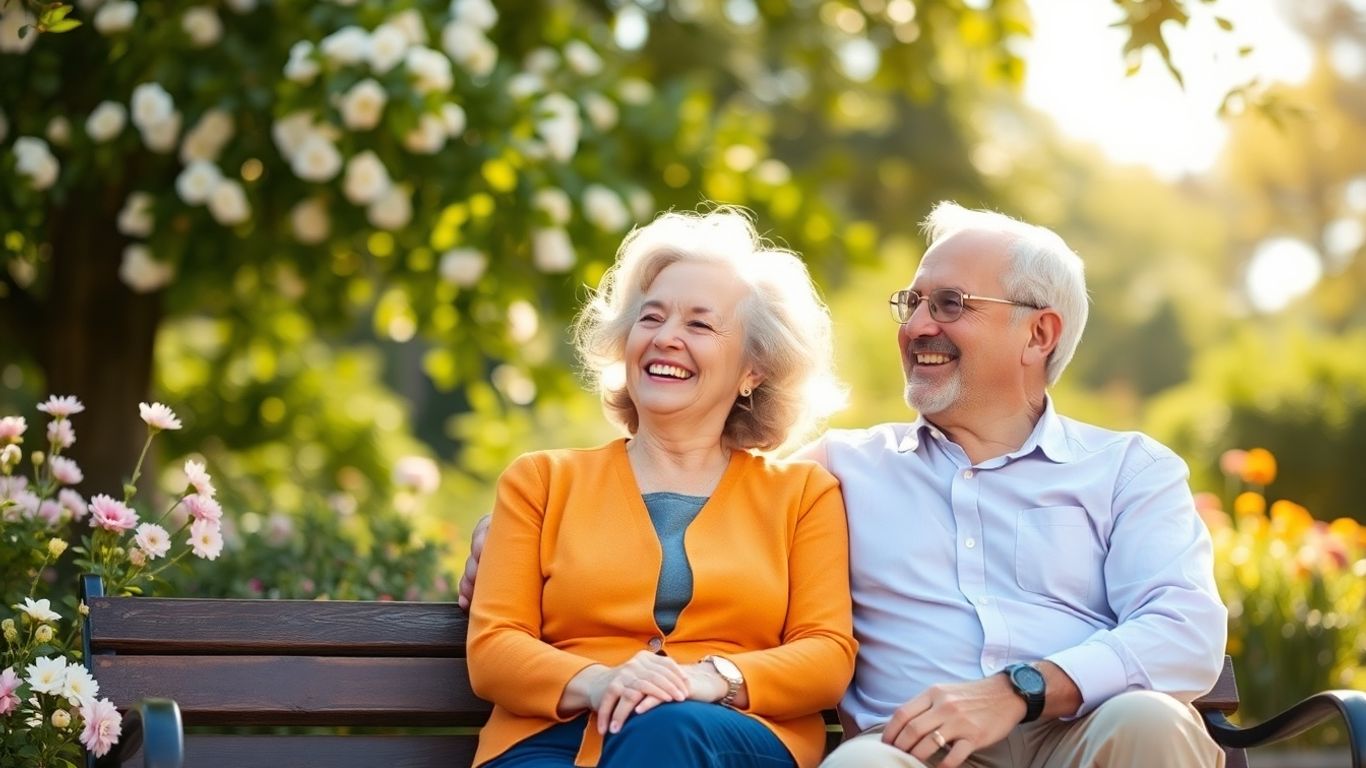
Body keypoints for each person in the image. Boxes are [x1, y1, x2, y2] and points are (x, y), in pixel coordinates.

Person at [463, 201, 1228, 768]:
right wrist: (512, 540)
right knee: (861, 766)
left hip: (1081, 734)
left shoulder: (1131, 469)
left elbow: (1185, 631)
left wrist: (1020, 688)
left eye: (950, 305)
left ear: (1039, 333)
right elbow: (706, 487)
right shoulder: (842, 469)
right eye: (914, 303)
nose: (917, 324)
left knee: (1152, 721)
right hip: (910, 753)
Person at [465, 207, 858, 768]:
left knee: (668, 728)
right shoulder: (540, 481)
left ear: (754, 370)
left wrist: (711, 678)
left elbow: (826, 655)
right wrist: (599, 682)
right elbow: (493, 649)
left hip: (723, 734)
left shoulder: (803, 495)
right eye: (650, 319)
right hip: (550, 740)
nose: (666, 338)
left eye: (699, 325)